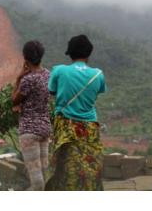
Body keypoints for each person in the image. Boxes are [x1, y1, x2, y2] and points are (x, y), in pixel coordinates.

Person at [45, 35, 107, 191]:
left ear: (70, 53)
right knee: (90, 165)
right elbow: (98, 92)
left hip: (66, 126)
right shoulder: (98, 75)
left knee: (66, 167)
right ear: (89, 54)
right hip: (90, 128)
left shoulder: (59, 71)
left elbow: (51, 91)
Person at [12, 40, 51, 191]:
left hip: (29, 131)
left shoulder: (27, 79)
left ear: (25, 58)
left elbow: (14, 100)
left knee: (36, 180)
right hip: (45, 129)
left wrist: (18, 78)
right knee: (43, 172)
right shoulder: (48, 75)